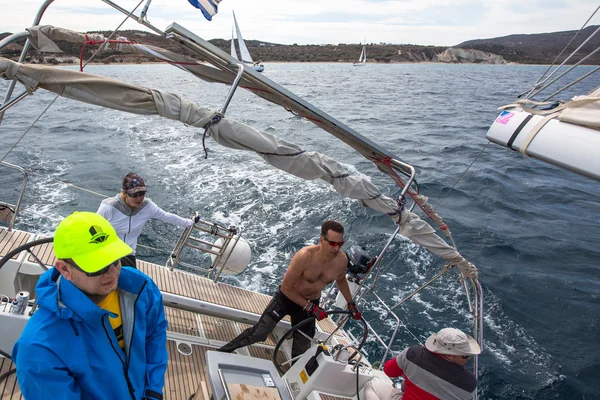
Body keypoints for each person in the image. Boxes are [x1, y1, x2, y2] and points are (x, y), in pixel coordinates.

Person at [12, 212, 168, 400]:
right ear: (64, 269)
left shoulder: (141, 288)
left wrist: (153, 392)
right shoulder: (38, 349)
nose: (112, 273)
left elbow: (154, 337)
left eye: (115, 260)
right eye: (97, 266)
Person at [218, 220, 362, 358]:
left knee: (303, 343)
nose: (336, 248)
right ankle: (223, 351)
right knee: (259, 334)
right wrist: (311, 308)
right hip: (287, 299)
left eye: (340, 244)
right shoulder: (304, 256)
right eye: (332, 243)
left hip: (311, 303)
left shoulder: (341, 260)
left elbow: (341, 280)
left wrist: (350, 303)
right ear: (322, 240)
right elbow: (286, 288)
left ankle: (292, 376)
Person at [97, 172, 199, 268]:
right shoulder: (109, 207)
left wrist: (190, 222)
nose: (139, 198)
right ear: (124, 193)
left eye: (142, 193)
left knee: (130, 284)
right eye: (134, 195)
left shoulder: (147, 206)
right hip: (107, 252)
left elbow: (166, 216)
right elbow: (94, 227)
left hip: (128, 254)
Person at [383, 327, 480, 400]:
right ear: (449, 355)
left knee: (371, 384)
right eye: (465, 355)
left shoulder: (412, 354)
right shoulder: (470, 385)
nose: (468, 358)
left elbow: (388, 371)